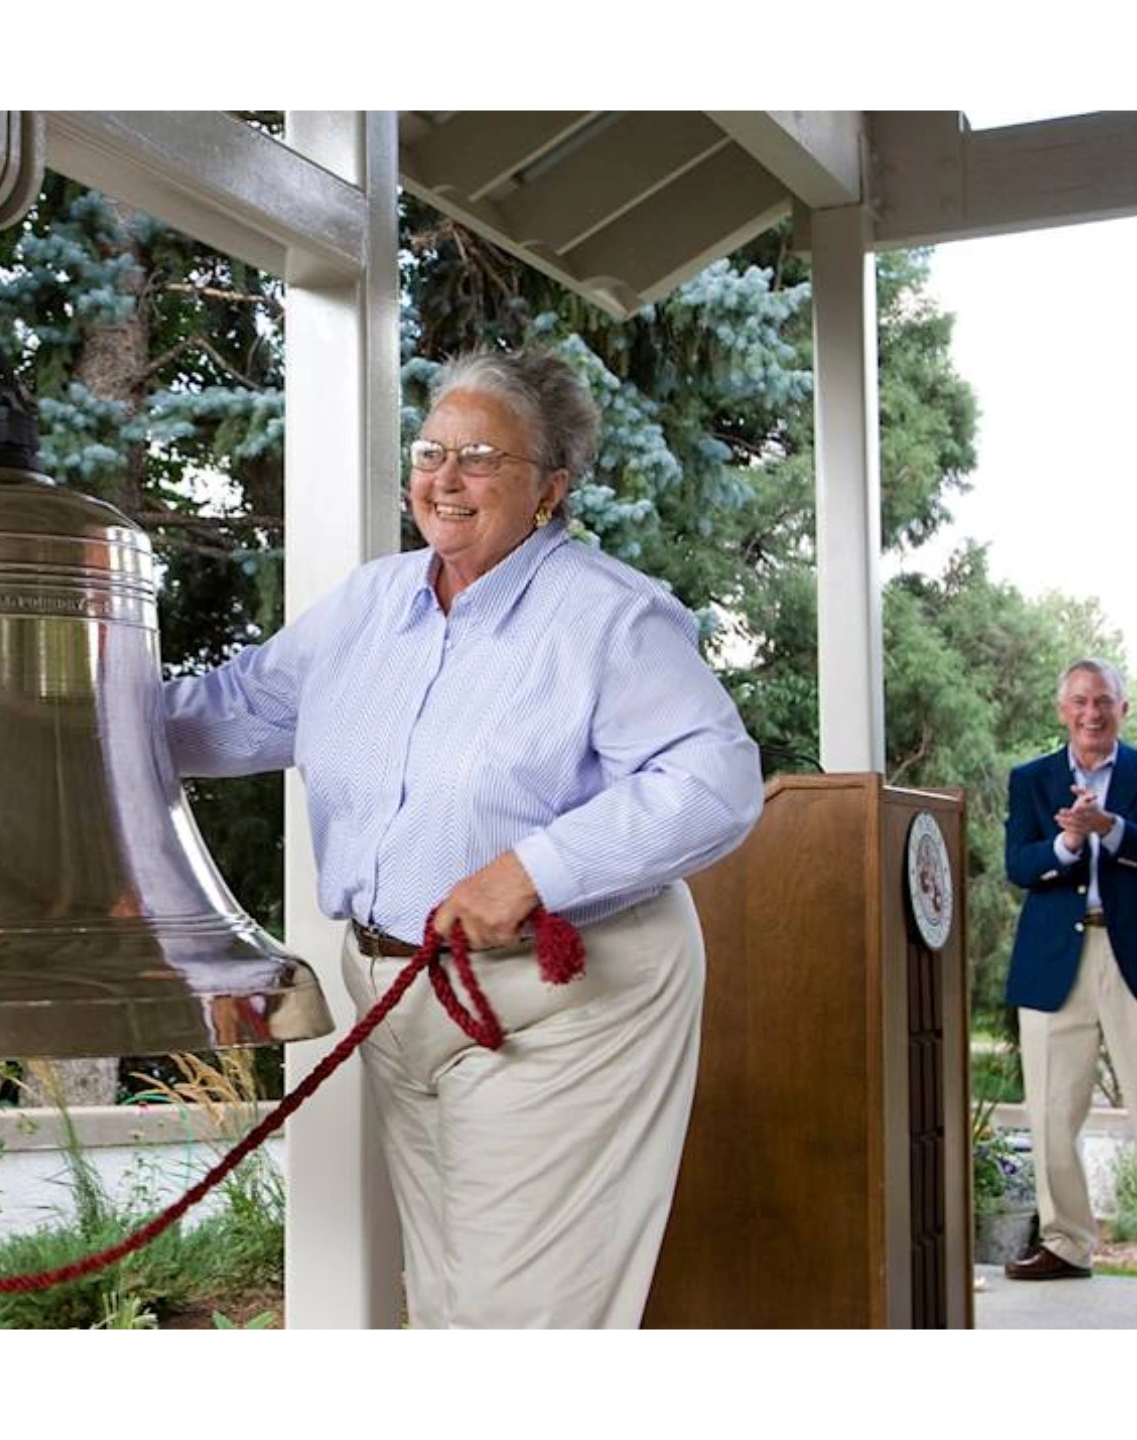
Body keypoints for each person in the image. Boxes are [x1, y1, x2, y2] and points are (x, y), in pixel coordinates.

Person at [164, 348, 762, 1333]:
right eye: (430, 450)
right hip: (399, 991)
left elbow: (714, 782)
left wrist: (533, 869)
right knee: (443, 1302)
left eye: (480, 456)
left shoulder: (607, 618)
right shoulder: (367, 607)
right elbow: (235, 710)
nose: (444, 478)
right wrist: (64, 709)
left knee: (513, 1313)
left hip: (560, 1002)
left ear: (550, 489)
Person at [1000, 659, 1137, 1297]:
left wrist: (1111, 829)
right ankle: (1065, 1242)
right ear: (1060, 709)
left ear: (1123, 708)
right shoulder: (1032, 780)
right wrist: (1068, 844)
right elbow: (1020, 863)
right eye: (1079, 702)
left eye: (1103, 701)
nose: (1091, 713)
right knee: (1050, 1109)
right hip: (1054, 964)